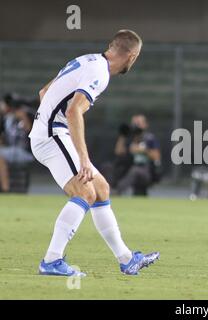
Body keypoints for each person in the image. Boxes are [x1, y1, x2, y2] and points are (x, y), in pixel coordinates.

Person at [28, 30, 159, 277]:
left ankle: (127, 259)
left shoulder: (86, 60)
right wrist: (84, 159)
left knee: (101, 190)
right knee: (85, 192)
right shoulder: (100, 72)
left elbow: (44, 93)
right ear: (132, 56)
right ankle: (52, 260)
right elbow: (73, 111)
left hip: (51, 132)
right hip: (52, 136)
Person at [115, 114, 162, 195]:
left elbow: (157, 157)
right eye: (134, 123)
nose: (136, 126)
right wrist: (122, 136)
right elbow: (118, 152)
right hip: (129, 170)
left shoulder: (149, 138)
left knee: (135, 171)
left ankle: (117, 191)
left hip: (147, 172)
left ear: (145, 125)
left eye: (138, 123)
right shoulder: (129, 138)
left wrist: (143, 150)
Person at [0, 93, 35, 192]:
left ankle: (5, 190)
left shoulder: (27, 114)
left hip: (25, 151)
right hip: (9, 150)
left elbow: (32, 133)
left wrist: (24, 118)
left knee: (0, 157)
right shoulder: (5, 118)